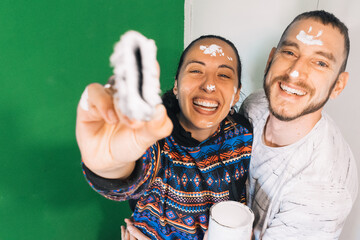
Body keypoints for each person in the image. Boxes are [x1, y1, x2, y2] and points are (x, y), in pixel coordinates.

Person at [76, 35, 253, 239]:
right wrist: (107, 165)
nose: (209, 85)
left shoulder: (245, 134)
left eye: (224, 75)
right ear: (176, 85)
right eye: (196, 70)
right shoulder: (155, 139)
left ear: (237, 93)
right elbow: (128, 172)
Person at [239, 10, 358, 239]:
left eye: (320, 62)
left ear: (338, 86)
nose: (294, 72)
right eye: (290, 52)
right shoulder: (255, 106)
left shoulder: (324, 190)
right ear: (270, 60)